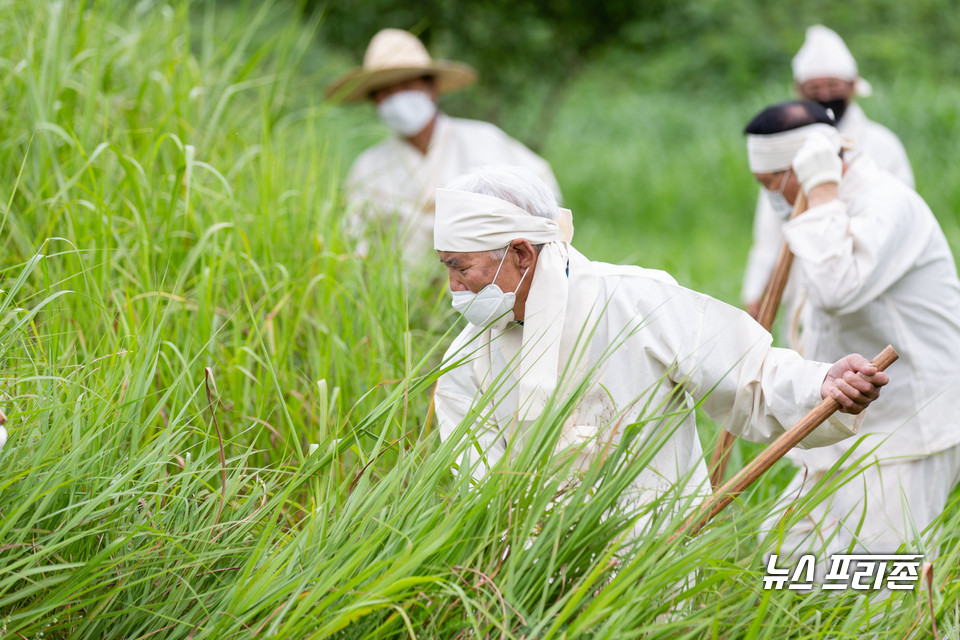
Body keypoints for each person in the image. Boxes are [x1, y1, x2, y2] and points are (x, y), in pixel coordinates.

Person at [431, 164, 888, 537]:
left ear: (522, 253)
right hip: (537, 577)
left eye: (460, 267)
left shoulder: (636, 300)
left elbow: (751, 375)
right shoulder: (465, 361)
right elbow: (484, 490)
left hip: (657, 561)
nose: (453, 287)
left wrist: (821, 384)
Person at [743, 100, 960, 559]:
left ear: (809, 163)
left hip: (907, 428)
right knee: (784, 554)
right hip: (846, 420)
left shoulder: (885, 204)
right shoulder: (826, 209)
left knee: (885, 586)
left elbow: (836, 288)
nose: (772, 198)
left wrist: (820, 192)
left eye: (773, 183)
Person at [327, 29, 561, 264]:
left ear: (431, 87)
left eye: (406, 85)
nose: (397, 97)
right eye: (386, 91)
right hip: (403, 296)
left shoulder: (484, 141)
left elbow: (544, 193)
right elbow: (355, 241)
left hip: (487, 289)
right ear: (375, 101)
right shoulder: (368, 168)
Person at [741, 25, 914, 321]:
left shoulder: (882, 146)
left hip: (865, 273)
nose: (824, 95)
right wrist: (758, 285)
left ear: (852, 85)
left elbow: (893, 222)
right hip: (806, 269)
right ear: (799, 90)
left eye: (832, 88)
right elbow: (770, 226)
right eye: (814, 90)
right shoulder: (783, 148)